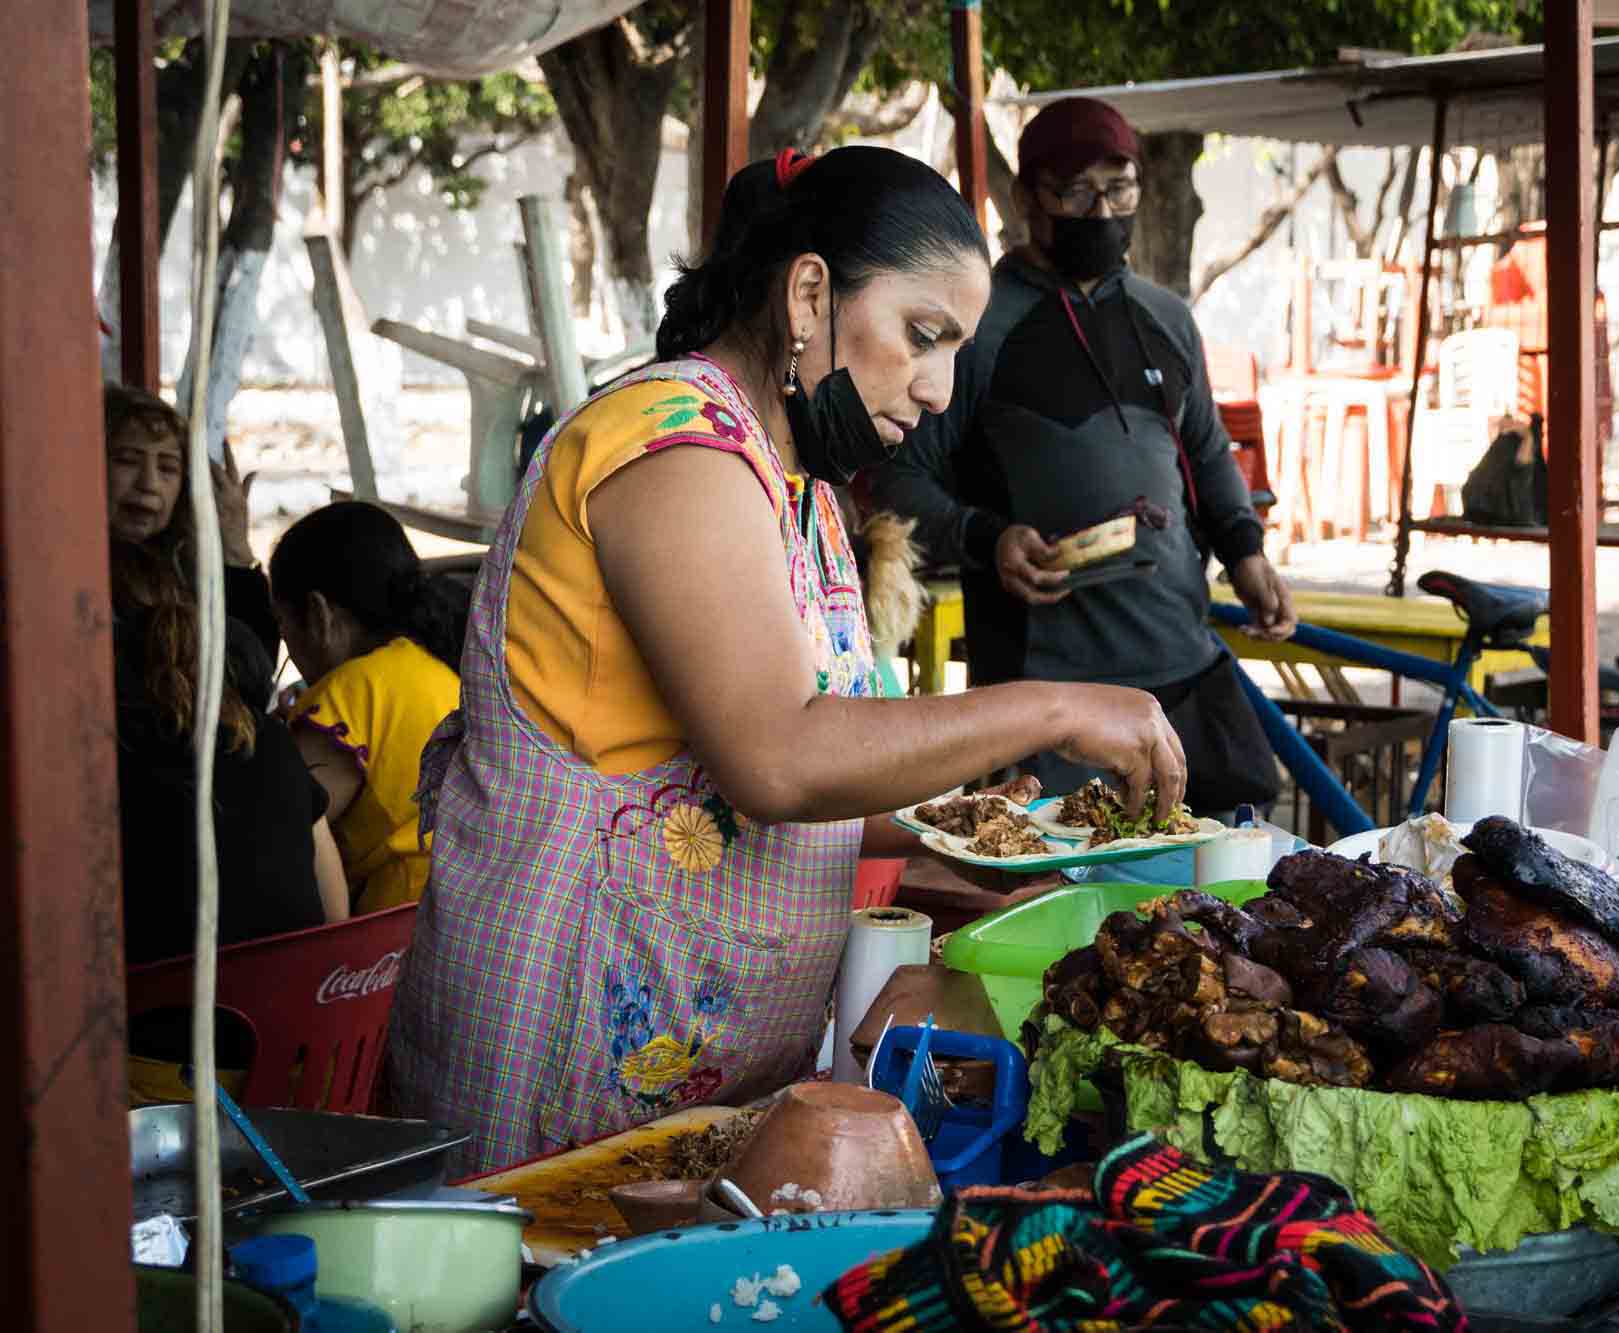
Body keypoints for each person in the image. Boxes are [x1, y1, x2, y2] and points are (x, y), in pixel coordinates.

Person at [386, 145, 1185, 1174]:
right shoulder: (672, 445)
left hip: (697, 1073)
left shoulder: (797, 487)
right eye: (921, 336)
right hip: (564, 1052)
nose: (939, 390)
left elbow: (792, 774)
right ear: (808, 292)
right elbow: (776, 757)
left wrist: (971, 829)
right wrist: (1050, 708)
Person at [864, 98, 1298, 817]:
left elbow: (1207, 450)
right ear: (1025, 197)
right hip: (1047, 701)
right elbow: (891, 477)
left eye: (1119, 188)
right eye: (1074, 191)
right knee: (1065, 900)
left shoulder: (1167, 317)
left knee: (1213, 899)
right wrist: (985, 537)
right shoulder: (979, 326)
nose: (1101, 211)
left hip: (1184, 672)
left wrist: (1246, 550)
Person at [111, 539, 347, 967]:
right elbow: (335, 916)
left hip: (165, 1023)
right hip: (298, 1019)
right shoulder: (267, 739)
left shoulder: (103, 759)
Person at [270, 501, 468, 916]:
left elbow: (282, 836)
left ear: (318, 614)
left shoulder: (352, 692)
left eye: (283, 626)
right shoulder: (441, 664)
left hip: (389, 943)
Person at [104, 384, 278, 666]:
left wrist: (235, 548)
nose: (149, 484)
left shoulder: (185, 564)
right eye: (127, 461)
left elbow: (254, 669)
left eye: (167, 467)